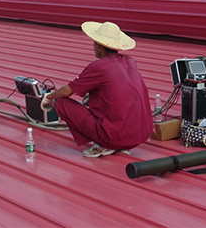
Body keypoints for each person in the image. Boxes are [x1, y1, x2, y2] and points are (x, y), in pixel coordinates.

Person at [40, 21, 153, 158]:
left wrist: (49, 97)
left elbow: (67, 91)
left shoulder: (99, 66)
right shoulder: (129, 61)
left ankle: (103, 144)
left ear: (99, 45)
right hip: (138, 136)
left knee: (62, 103)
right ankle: (120, 145)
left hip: (115, 136)